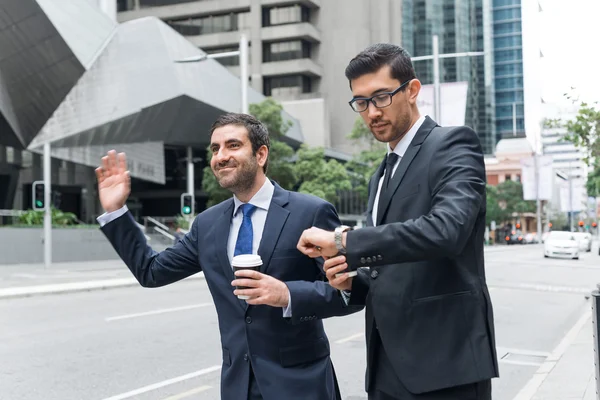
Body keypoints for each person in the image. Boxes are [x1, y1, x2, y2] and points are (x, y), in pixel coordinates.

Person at [95, 113, 361, 400]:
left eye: (233, 145)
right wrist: (116, 212)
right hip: (238, 386)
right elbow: (151, 271)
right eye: (215, 149)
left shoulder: (310, 212)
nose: (220, 156)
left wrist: (287, 294)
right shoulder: (207, 225)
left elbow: (350, 294)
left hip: (302, 385)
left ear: (260, 155)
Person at [296, 43, 499, 400]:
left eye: (382, 97)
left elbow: (446, 231)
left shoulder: (453, 144)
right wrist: (348, 280)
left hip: (446, 364)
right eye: (361, 102)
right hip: (386, 363)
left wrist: (346, 241)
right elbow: (383, 270)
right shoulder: (380, 175)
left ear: (412, 90)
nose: (372, 111)